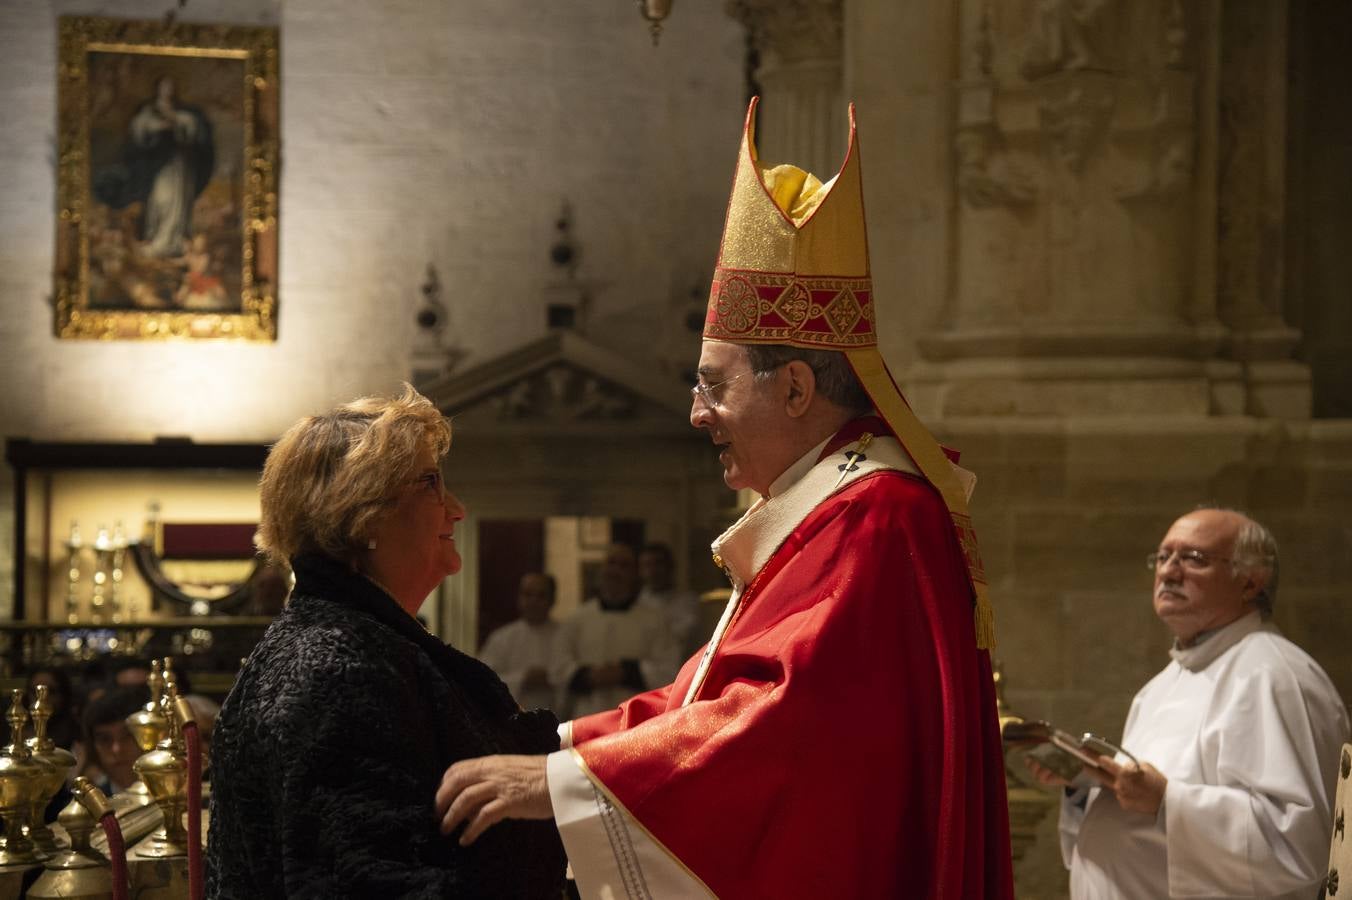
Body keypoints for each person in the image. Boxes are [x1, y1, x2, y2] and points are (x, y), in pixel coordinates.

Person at [435, 98, 1013, 898]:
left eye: (713, 387)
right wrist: (554, 748)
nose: (697, 414)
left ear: (800, 388)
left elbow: (783, 720)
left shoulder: (878, 513)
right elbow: (703, 696)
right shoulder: (825, 509)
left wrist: (560, 784)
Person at [205, 385, 565, 898]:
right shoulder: (340, 669)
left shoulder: (348, 642)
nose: (457, 509)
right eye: (432, 484)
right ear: (364, 512)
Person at [1027, 507, 1350, 899]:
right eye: (1163, 557)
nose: (1169, 571)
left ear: (1251, 582)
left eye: (1194, 559)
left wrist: (1168, 799)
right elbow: (1141, 817)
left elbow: (1299, 846)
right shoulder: (1159, 687)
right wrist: (1086, 783)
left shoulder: (1277, 677)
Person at [554, 543, 682, 719]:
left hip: (635, 718)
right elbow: (558, 667)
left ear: (635, 573)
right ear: (602, 569)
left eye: (624, 565)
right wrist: (589, 675)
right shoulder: (577, 619)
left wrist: (627, 672)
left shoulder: (656, 620)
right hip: (586, 714)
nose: (615, 571)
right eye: (611, 563)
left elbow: (668, 668)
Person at [478, 572, 566, 712]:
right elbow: (483, 681)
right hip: (511, 721)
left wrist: (551, 678)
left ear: (553, 599)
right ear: (519, 598)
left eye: (541, 595)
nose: (533, 601)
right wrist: (523, 678)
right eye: (528, 594)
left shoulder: (566, 635)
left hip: (558, 719)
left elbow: (572, 678)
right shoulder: (501, 638)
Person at [81, 684, 152, 797]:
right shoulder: (89, 808)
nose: (117, 749)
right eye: (105, 739)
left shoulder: (182, 799)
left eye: (128, 735)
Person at [636, 542, 703, 655]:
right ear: (640, 570)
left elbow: (683, 639)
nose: (653, 571)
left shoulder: (688, 602)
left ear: (670, 566)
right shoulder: (635, 604)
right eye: (647, 565)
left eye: (658, 563)